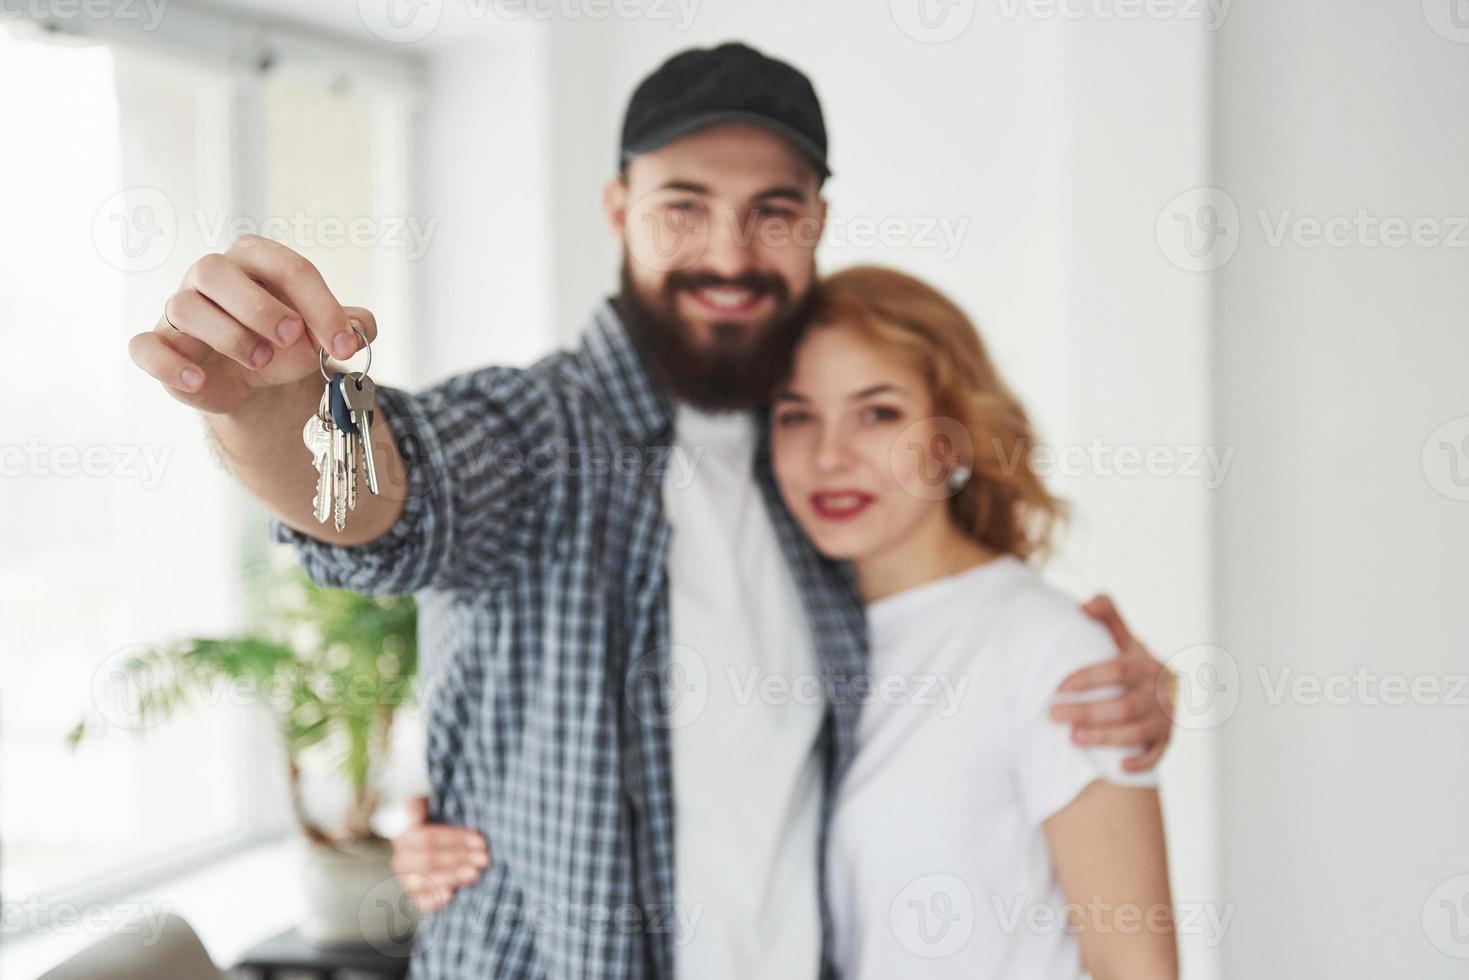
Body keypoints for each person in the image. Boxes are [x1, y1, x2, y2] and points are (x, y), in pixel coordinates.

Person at [128, 42, 1176, 980]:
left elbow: (948, 684)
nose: (728, 250)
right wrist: (265, 410)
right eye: (683, 205)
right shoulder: (539, 432)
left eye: (772, 211)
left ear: (814, 223)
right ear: (618, 208)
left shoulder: (801, 473)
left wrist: (1090, 698)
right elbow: (391, 504)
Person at [393, 265, 1178, 979]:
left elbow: (1134, 964)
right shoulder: (796, 630)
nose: (831, 456)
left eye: (876, 413)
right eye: (797, 416)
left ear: (947, 441)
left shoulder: (1049, 650)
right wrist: (466, 836)